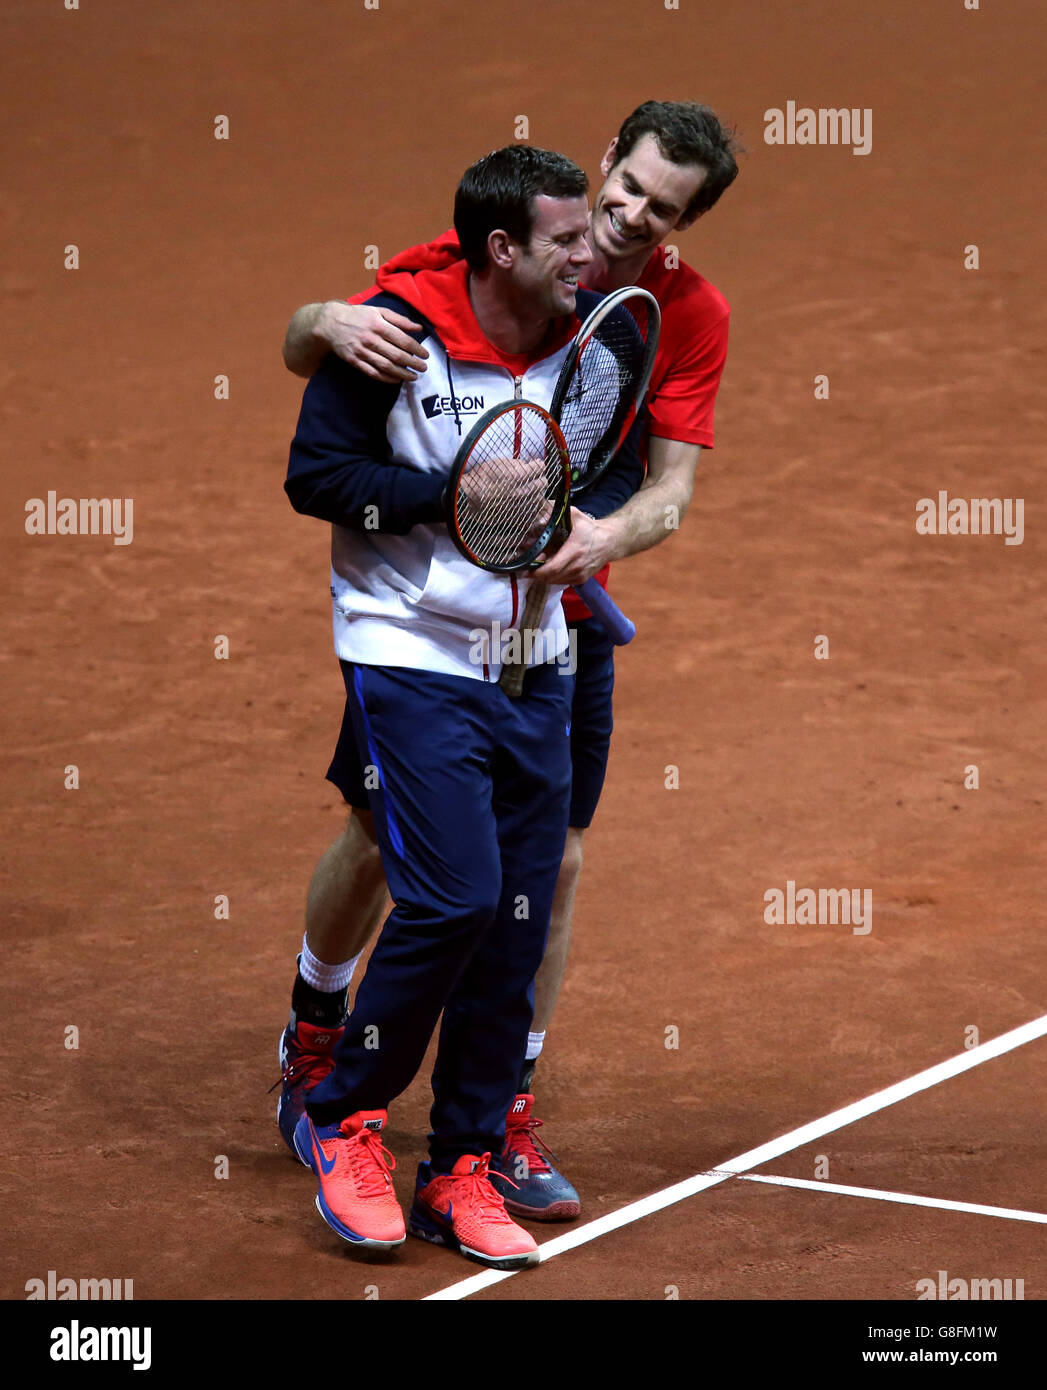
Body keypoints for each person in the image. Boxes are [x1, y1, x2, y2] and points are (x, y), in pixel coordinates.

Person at [277, 101, 741, 1223]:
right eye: (621, 186)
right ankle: (316, 1036)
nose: (626, 219)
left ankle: (495, 1116)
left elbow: (666, 489)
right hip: (427, 621)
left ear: (686, 222)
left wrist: (601, 541)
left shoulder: (681, 313)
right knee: (393, 843)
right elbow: (314, 357)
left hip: (561, 614)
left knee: (547, 873)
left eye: (658, 210)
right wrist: (327, 320)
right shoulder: (496, 246)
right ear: (606, 165)